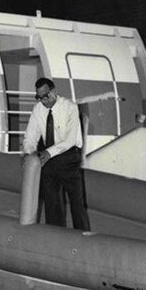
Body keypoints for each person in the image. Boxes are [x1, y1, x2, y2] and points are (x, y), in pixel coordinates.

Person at [22, 77, 90, 231]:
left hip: (69, 157)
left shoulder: (70, 107)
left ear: (54, 92)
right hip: (49, 159)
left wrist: (47, 152)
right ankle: (56, 235)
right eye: (38, 97)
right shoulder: (38, 109)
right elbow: (31, 135)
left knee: (76, 203)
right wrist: (28, 153)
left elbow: (70, 140)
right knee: (52, 202)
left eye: (45, 96)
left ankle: (83, 236)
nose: (42, 100)